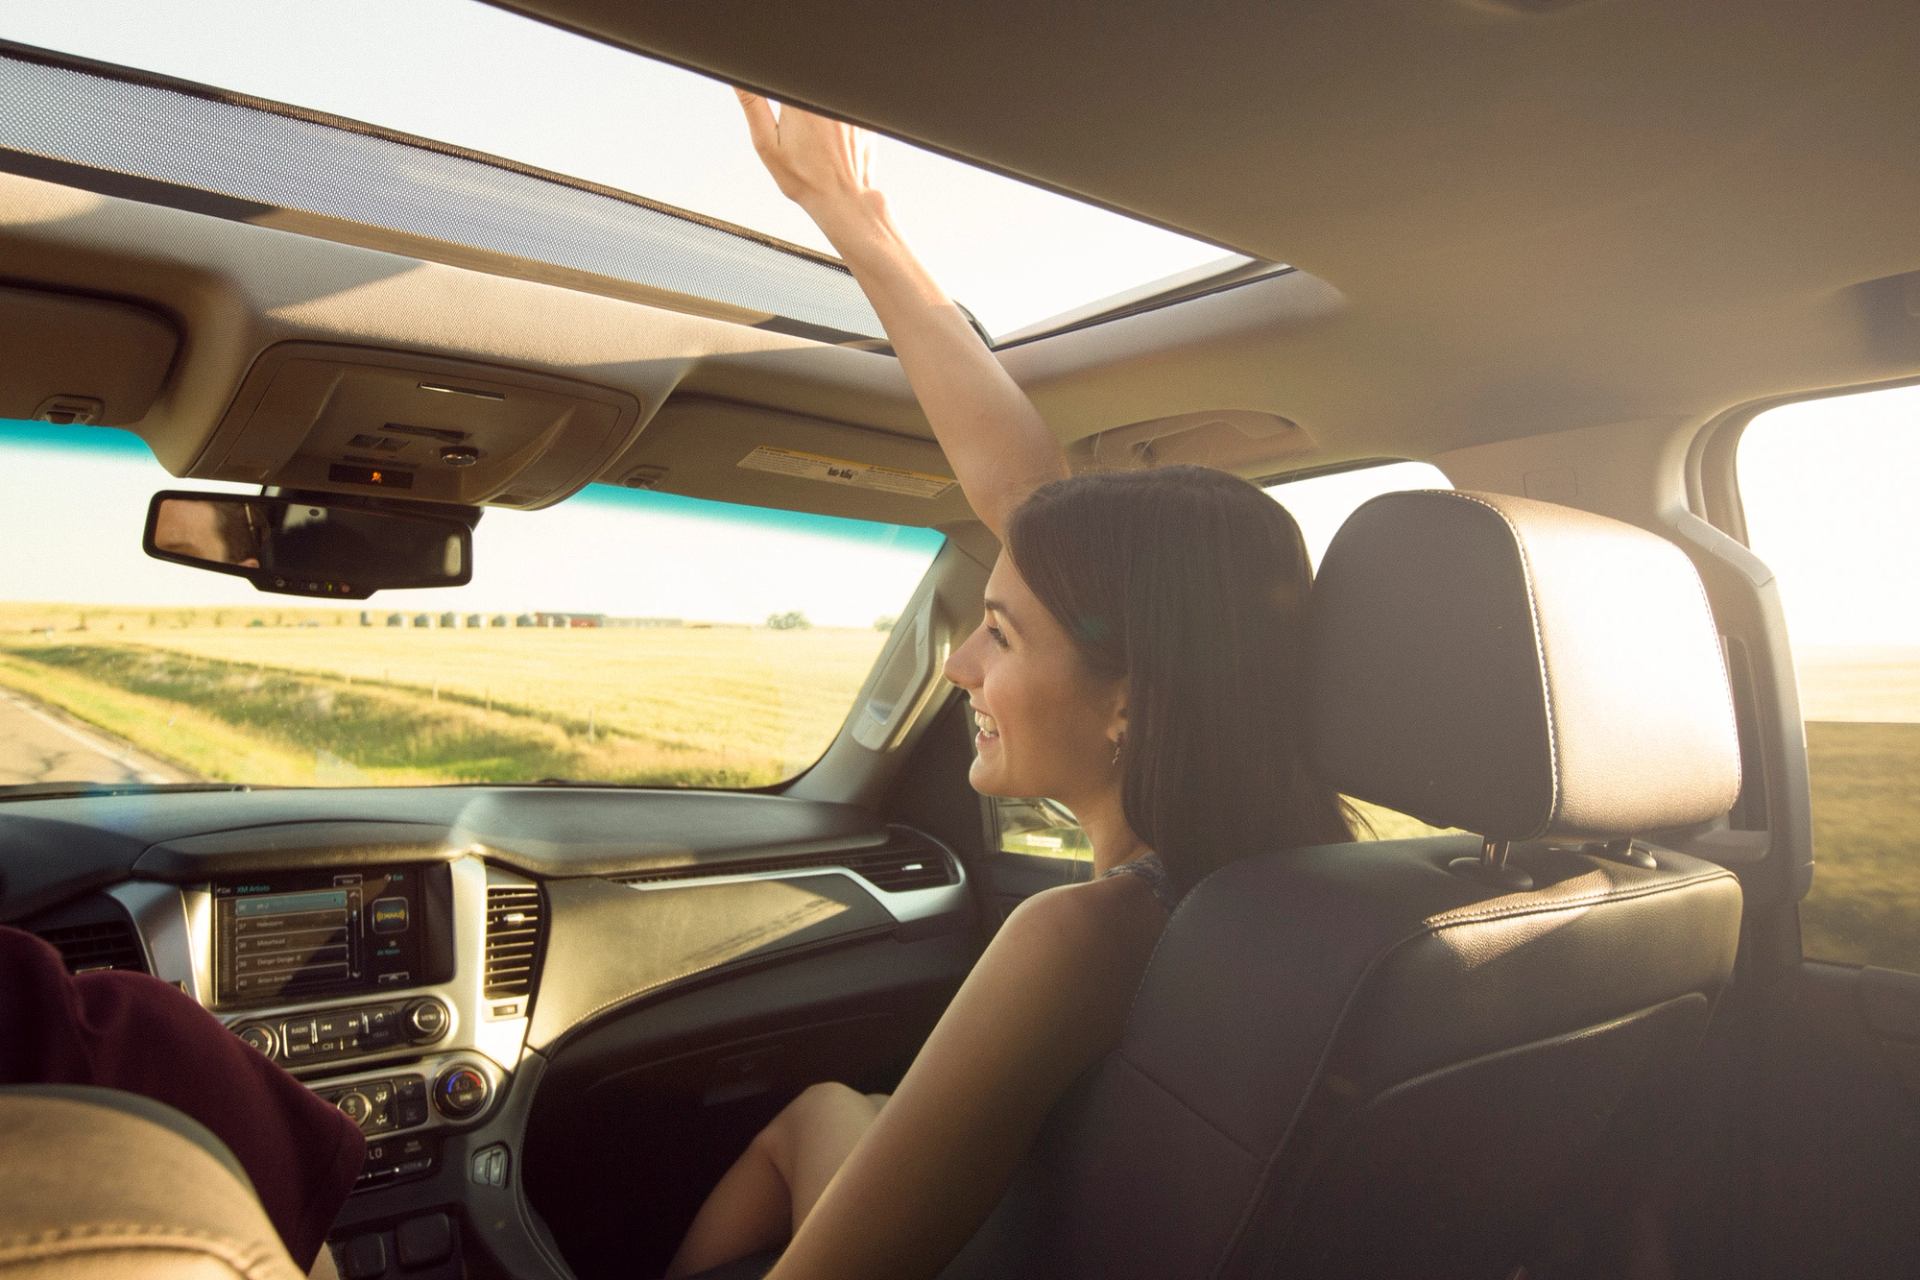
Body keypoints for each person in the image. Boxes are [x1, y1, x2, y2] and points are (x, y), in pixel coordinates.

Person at [661, 94, 1354, 1280]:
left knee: (809, 1120)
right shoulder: (1318, 885)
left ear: (1134, 698)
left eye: (996, 633)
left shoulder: (1079, 932)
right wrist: (855, 220)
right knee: (827, 1104)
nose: (960, 662)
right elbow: (1038, 519)